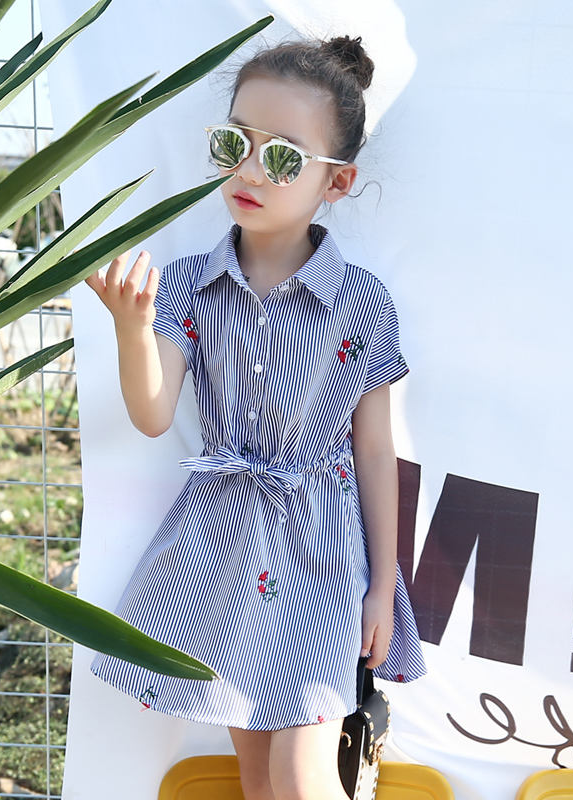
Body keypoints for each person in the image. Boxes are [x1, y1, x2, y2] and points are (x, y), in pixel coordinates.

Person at [85, 34, 426, 800]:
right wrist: (132, 330)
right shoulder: (184, 286)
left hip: (323, 554)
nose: (248, 171)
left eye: (281, 158)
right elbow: (152, 414)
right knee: (258, 778)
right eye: (234, 143)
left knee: (302, 776)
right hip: (227, 548)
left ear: (338, 181)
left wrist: (382, 585)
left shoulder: (363, 303)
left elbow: (376, 451)